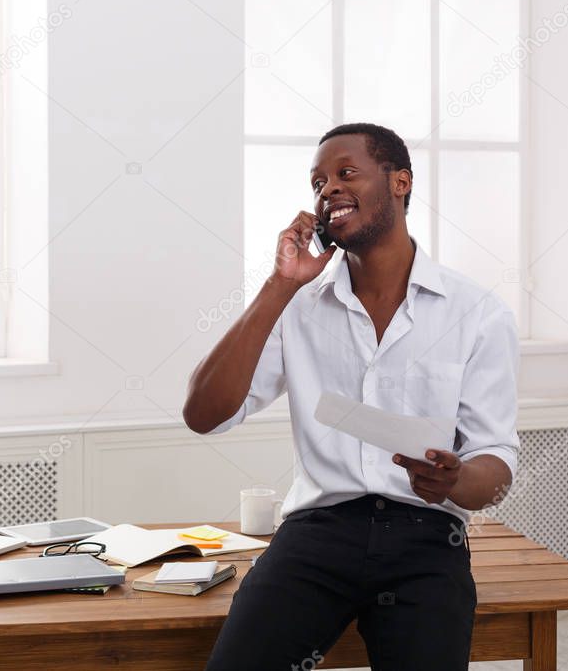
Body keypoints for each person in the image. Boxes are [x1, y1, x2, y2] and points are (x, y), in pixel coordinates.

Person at [183, 122, 520, 670]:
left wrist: (455, 478)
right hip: (317, 536)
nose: (328, 190)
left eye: (346, 173)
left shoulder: (477, 312)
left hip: (427, 538)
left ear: (400, 182)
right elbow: (203, 414)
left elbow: (497, 464)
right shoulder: (297, 306)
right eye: (318, 182)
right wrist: (280, 284)